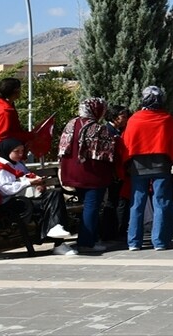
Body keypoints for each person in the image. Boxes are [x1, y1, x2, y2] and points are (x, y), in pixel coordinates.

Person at [0, 137, 77, 254]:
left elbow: (27, 176)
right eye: (16, 151)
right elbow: (6, 190)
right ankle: (58, 241)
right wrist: (29, 182)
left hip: (24, 199)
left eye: (22, 151)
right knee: (53, 205)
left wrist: (38, 183)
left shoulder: (18, 164)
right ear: (6, 151)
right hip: (10, 204)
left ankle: (56, 232)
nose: (20, 154)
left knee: (55, 195)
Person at [121, 85, 173, 252]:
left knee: (137, 203)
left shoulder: (134, 119)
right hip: (161, 165)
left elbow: (127, 143)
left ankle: (134, 242)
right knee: (161, 202)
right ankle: (160, 241)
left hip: (138, 167)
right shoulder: (167, 119)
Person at [57, 96, 118, 254]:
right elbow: (107, 155)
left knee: (87, 206)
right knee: (92, 207)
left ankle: (87, 239)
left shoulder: (71, 124)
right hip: (92, 175)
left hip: (71, 173)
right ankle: (86, 242)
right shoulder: (99, 129)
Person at [98, 105, 131, 243]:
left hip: (120, 172)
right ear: (114, 117)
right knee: (112, 202)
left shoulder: (121, 130)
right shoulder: (107, 131)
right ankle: (110, 232)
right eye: (123, 117)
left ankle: (117, 230)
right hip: (112, 173)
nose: (125, 120)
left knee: (119, 201)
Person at [0, 77, 33, 161]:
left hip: (8, 153)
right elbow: (2, 136)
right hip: (4, 156)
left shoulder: (7, 107)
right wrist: (27, 136)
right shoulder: (3, 111)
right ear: (15, 91)